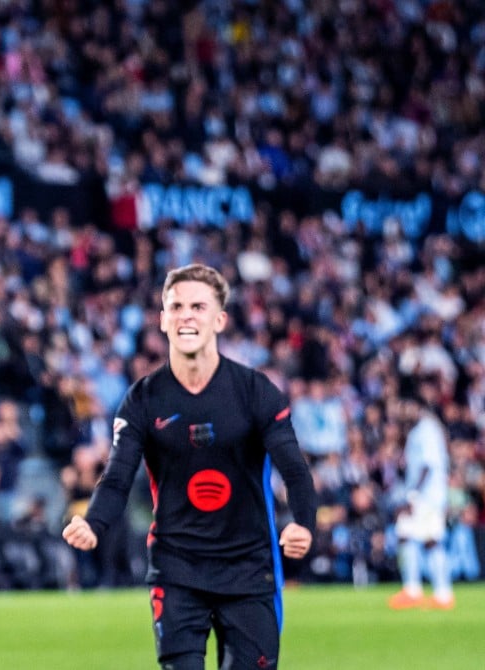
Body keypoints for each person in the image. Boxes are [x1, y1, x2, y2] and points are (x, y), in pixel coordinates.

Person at [63, 264, 316, 670]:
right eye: (176, 307)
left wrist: (304, 523)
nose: (186, 316)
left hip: (248, 568)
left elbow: (296, 470)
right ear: (163, 320)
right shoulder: (143, 400)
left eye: (198, 307)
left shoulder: (256, 392)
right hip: (177, 568)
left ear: (220, 319)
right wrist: (94, 523)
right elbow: (117, 476)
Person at [388, 390, 454, 610]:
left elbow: (428, 465)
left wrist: (412, 497)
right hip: (426, 495)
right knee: (412, 536)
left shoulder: (427, 430)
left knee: (427, 539)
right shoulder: (418, 430)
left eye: (405, 407)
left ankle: (436, 593)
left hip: (428, 496)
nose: (401, 412)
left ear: (416, 407)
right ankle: (421, 591)